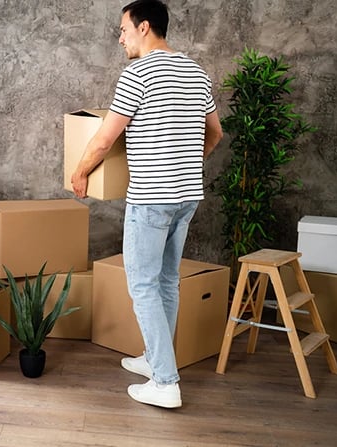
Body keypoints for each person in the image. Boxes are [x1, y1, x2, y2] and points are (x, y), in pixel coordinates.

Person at [71, 0, 223, 408]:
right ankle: (156, 359)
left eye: (123, 30)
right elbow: (215, 134)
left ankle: (165, 381)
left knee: (142, 284)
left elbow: (105, 138)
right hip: (188, 195)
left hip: (153, 198)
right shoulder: (197, 72)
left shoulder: (137, 74)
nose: (120, 38)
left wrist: (80, 172)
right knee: (166, 281)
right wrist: (187, 161)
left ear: (145, 27)